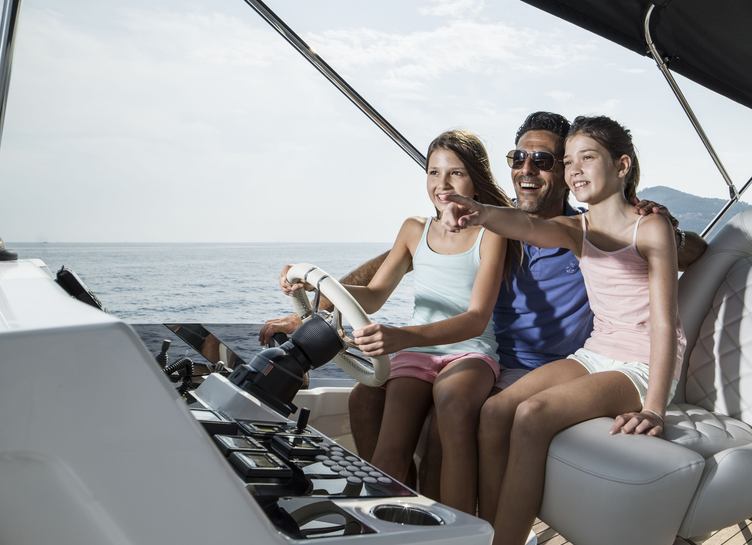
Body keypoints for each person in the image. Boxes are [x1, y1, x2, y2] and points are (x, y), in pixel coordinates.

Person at [258, 111, 706, 503]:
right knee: (364, 399)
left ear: (566, 170)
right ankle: (404, 512)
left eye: (545, 161)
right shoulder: (493, 220)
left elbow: (687, 253)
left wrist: (654, 220)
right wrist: (313, 310)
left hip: (537, 367)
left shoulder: (585, 230)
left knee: (441, 421)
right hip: (477, 356)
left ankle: (454, 526)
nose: (528, 170)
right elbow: (397, 266)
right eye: (518, 159)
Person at [442, 115, 685, 545]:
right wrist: (480, 212)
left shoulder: (651, 226)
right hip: (595, 353)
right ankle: (489, 533)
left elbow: (665, 324)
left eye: (587, 158)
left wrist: (654, 409)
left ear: (622, 166)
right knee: (497, 411)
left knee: (532, 415)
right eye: (569, 161)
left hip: (640, 363)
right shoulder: (579, 229)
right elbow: (529, 226)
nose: (574, 170)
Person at [279, 129, 517, 515]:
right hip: (417, 354)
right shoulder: (413, 229)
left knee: (454, 404)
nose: (442, 184)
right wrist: (315, 284)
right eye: (433, 172)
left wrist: (399, 336)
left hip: (469, 352)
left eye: (455, 173)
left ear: (475, 177)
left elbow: (476, 320)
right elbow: (374, 294)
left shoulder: (490, 234)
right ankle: (391, 525)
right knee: (391, 444)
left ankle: (459, 533)